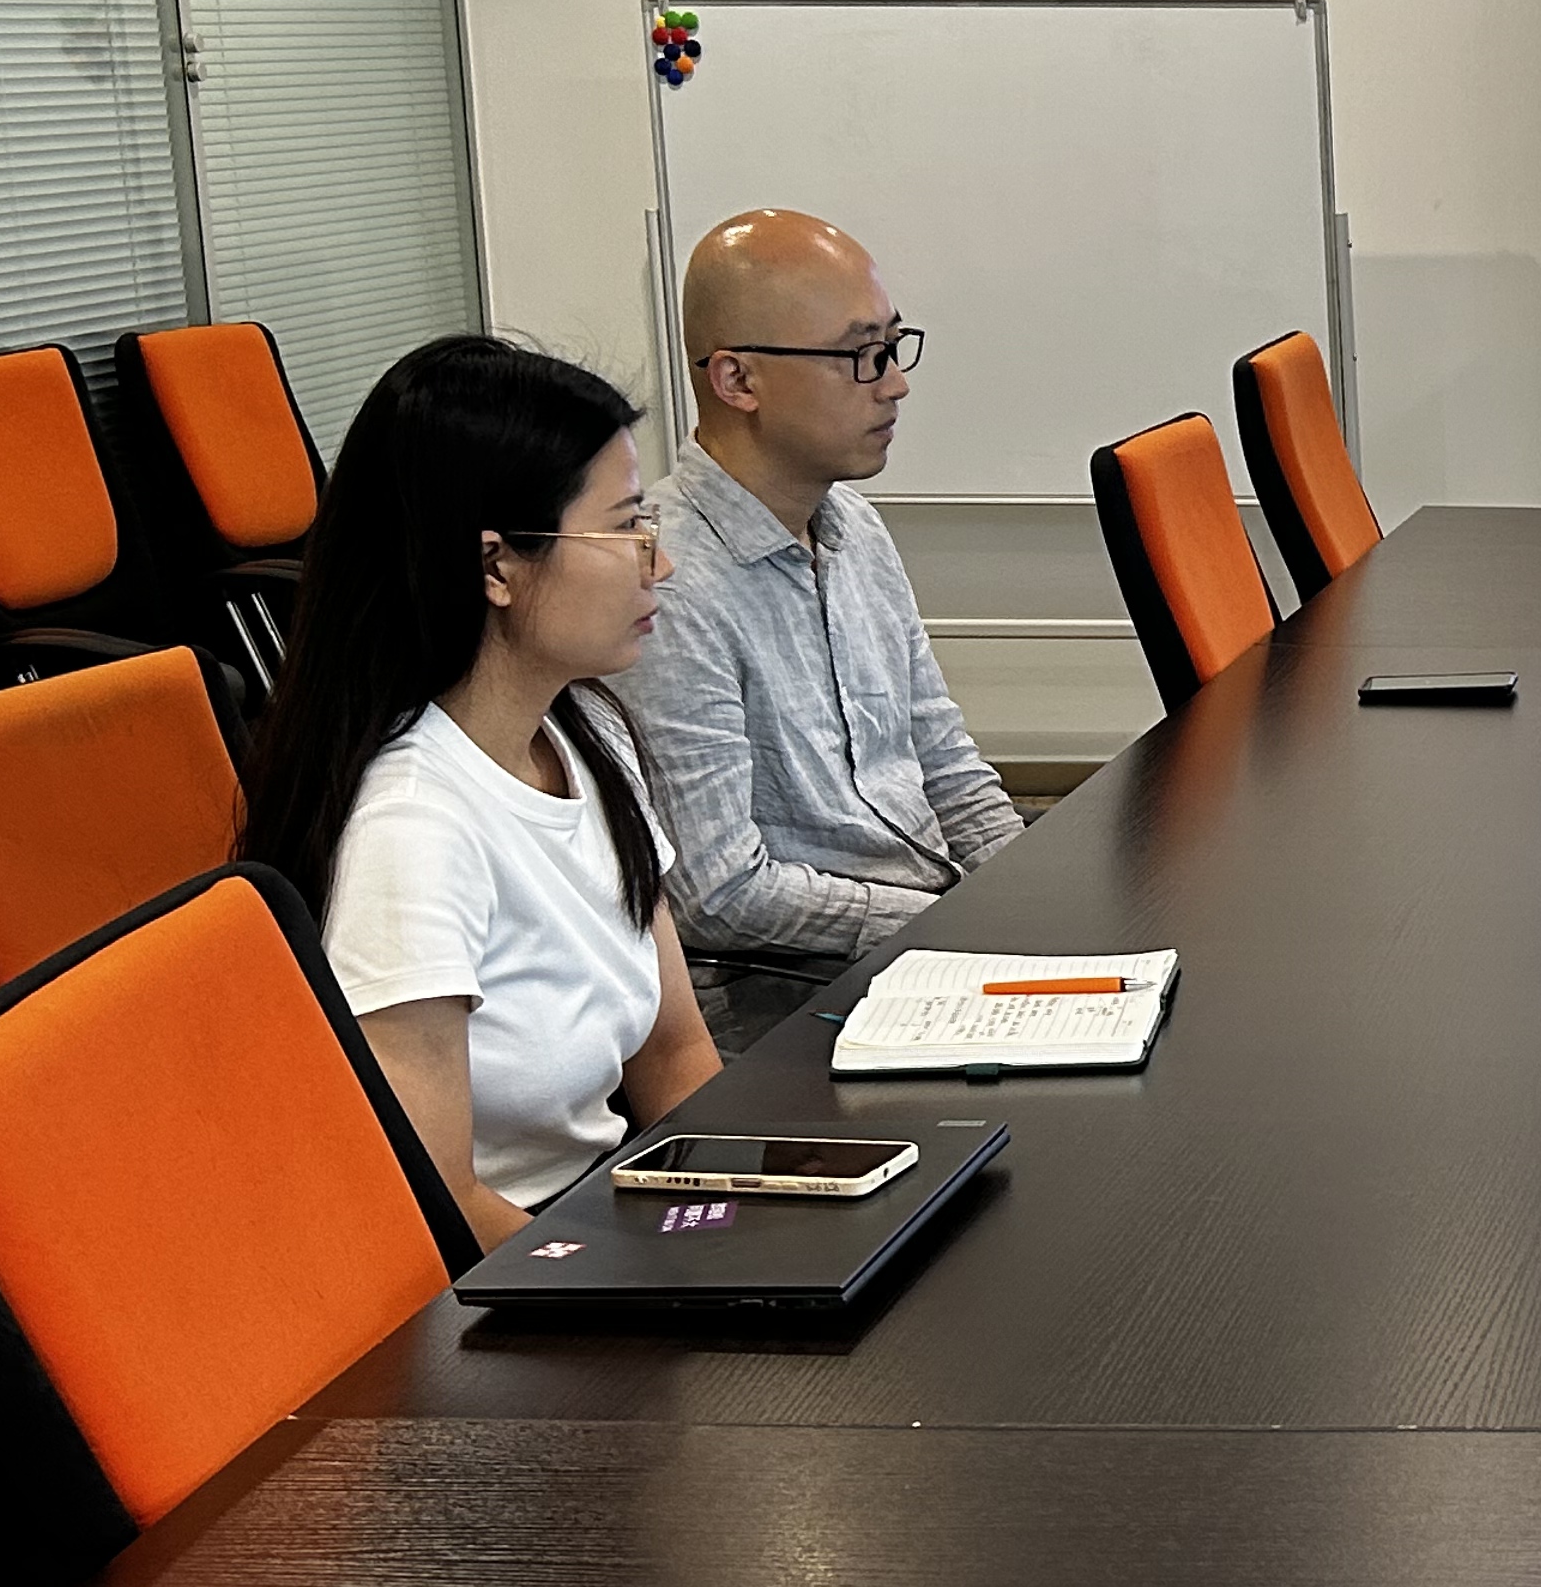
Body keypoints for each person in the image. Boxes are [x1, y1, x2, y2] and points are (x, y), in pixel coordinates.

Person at [240, 336, 721, 1248]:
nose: (656, 564)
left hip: (606, 1215)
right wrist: (650, 1291)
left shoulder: (583, 734)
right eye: (624, 527)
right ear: (496, 567)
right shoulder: (413, 829)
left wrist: (750, 1212)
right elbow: (440, 1202)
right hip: (511, 1270)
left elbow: (674, 1053)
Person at [618, 206, 1026, 1047]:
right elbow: (720, 893)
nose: (895, 383)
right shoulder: (667, 584)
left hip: (926, 951)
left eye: (895, 346)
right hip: (796, 1004)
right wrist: (952, 927)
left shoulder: (855, 528)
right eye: (861, 356)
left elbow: (946, 766)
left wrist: (1027, 901)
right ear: (737, 380)